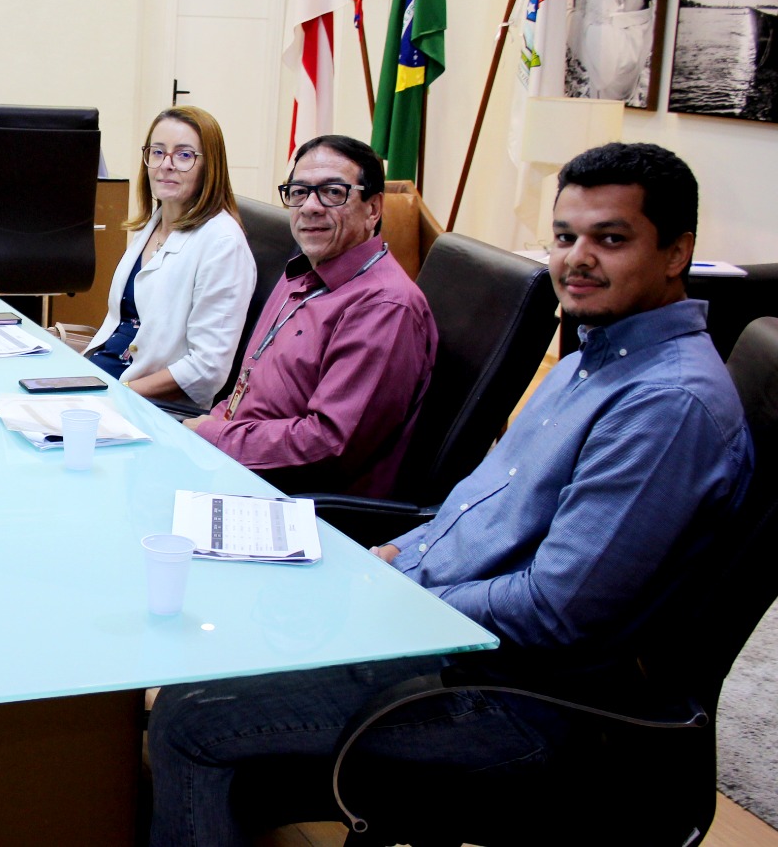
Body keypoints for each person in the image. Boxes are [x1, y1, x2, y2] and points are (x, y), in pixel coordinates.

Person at [148, 142, 754, 847]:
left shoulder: (664, 404)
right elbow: (483, 508)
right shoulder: (600, 352)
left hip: (514, 699)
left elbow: (559, 610)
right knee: (215, 670)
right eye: (565, 237)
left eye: (610, 239)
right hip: (447, 633)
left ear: (677, 253)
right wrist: (400, 553)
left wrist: (398, 593)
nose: (577, 258)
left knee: (191, 719)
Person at [183, 134, 437, 497]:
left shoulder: (383, 307)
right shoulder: (303, 272)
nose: (310, 207)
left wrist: (213, 435)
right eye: (299, 192)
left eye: (333, 192)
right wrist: (209, 429)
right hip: (236, 464)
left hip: (298, 503)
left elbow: (330, 445)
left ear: (373, 209)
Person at [84, 106, 253, 408]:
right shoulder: (156, 223)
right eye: (158, 152)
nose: (167, 165)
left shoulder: (223, 244)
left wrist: (119, 393)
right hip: (107, 381)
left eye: (184, 155)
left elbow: (207, 369)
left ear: (209, 166)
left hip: (151, 407)